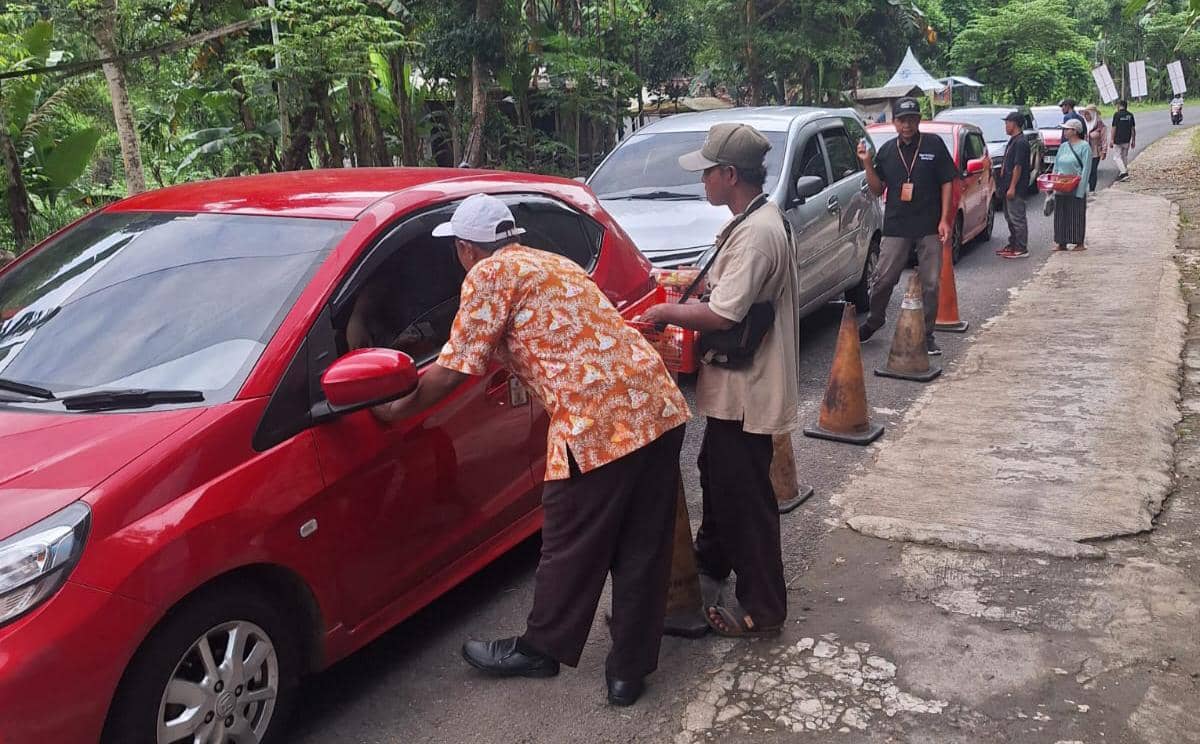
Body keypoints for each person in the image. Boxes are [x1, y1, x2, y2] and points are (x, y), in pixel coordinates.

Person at [373, 193, 690, 707]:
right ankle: (629, 673)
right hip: (657, 404)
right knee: (643, 544)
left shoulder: (488, 274)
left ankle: (542, 648)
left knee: (568, 537)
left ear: (465, 248)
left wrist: (394, 411)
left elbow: (453, 368)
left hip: (598, 422)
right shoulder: (552, 261)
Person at [639, 122, 799, 638]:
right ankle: (712, 558)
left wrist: (667, 310)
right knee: (715, 469)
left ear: (731, 174)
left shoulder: (757, 234)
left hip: (748, 390)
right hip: (737, 386)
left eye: (708, 172)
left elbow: (725, 315)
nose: (703, 180)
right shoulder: (753, 220)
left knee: (745, 496)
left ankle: (763, 608)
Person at [855, 96, 956, 356]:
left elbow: (947, 181)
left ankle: (927, 334)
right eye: (902, 120)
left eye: (911, 120)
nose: (907, 125)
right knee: (883, 279)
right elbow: (877, 189)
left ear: (918, 120)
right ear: (895, 122)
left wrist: (945, 219)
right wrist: (866, 163)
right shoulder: (888, 151)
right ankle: (875, 320)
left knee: (931, 283)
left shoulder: (933, 144)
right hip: (897, 225)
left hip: (929, 224)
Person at [1050, 119, 1092, 252]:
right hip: (1061, 185)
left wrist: (1081, 190)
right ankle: (1061, 242)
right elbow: (1056, 166)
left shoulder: (1084, 146)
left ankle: (1079, 242)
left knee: (1076, 215)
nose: (1064, 131)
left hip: (1076, 185)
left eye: (1067, 129)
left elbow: (1086, 169)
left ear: (1075, 131)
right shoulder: (1063, 146)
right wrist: (1053, 182)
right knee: (1060, 215)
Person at [996, 111, 1031, 259]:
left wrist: (1012, 187)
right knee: (1009, 217)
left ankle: (1021, 247)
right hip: (1006, 185)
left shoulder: (1021, 142)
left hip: (1016, 187)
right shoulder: (1013, 140)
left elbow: (1018, 166)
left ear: (1014, 124)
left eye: (1007, 123)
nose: (1006, 126)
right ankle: (1013, 243)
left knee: (1017, 217)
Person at [1082, 105, 1107, 194]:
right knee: (1084, 171)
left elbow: (1104, 139)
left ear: (1093, 114)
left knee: (1092, 170)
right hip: (1083, 152)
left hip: (1095, 151)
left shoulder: (1100, 125)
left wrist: (1104, 151)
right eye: (1085, 114)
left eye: (1088, 114)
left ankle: (1092, 190)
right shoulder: (1083, 124)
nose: (1086, 116)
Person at [1110, 99, 1136, 181]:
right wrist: (1133, 140)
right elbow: (1133, 129)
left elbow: (1114, 128)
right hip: (1127, 139)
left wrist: (1111, 139)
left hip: (1118, 139)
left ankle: (1124, 173)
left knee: (1116, 157)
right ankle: (1124, 173)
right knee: (1124, 156)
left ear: (1119, 105)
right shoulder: (1130, 115)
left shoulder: (1117, 115)